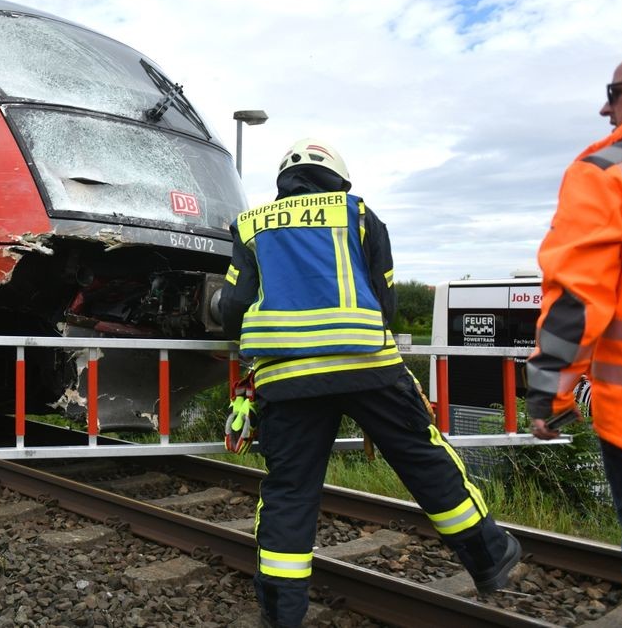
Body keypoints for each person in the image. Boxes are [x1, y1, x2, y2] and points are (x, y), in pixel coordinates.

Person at [220, 138, 520, 627]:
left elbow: (234, 309)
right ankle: (489, 558)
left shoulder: (252, 224)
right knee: (424, 460)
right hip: (369, 368)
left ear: (284, 182)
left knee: (290, 493)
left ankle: (281, 615)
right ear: (337, 177)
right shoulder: (358, 213)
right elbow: (386, 298)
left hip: (288, 377)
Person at [526, 45, 622, 625]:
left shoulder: (616, 169)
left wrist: (549, 397)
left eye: (613, 93)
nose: (606, 111)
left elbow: (577, 302)